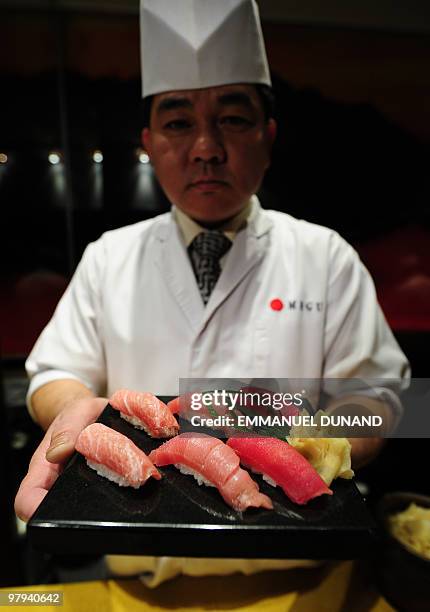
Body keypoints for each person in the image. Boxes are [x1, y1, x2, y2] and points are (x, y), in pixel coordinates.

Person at [15, 0, 409, 586]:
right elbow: (53, 373)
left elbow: (386, 394)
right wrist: (73, 409)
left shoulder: (326, 255)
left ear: (268, 136)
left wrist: (325, 439)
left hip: (302, 573)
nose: (206, 147)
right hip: (135, 573)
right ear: (149, 141)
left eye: (232, 119)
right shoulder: (109, 255)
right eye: (178, 123)